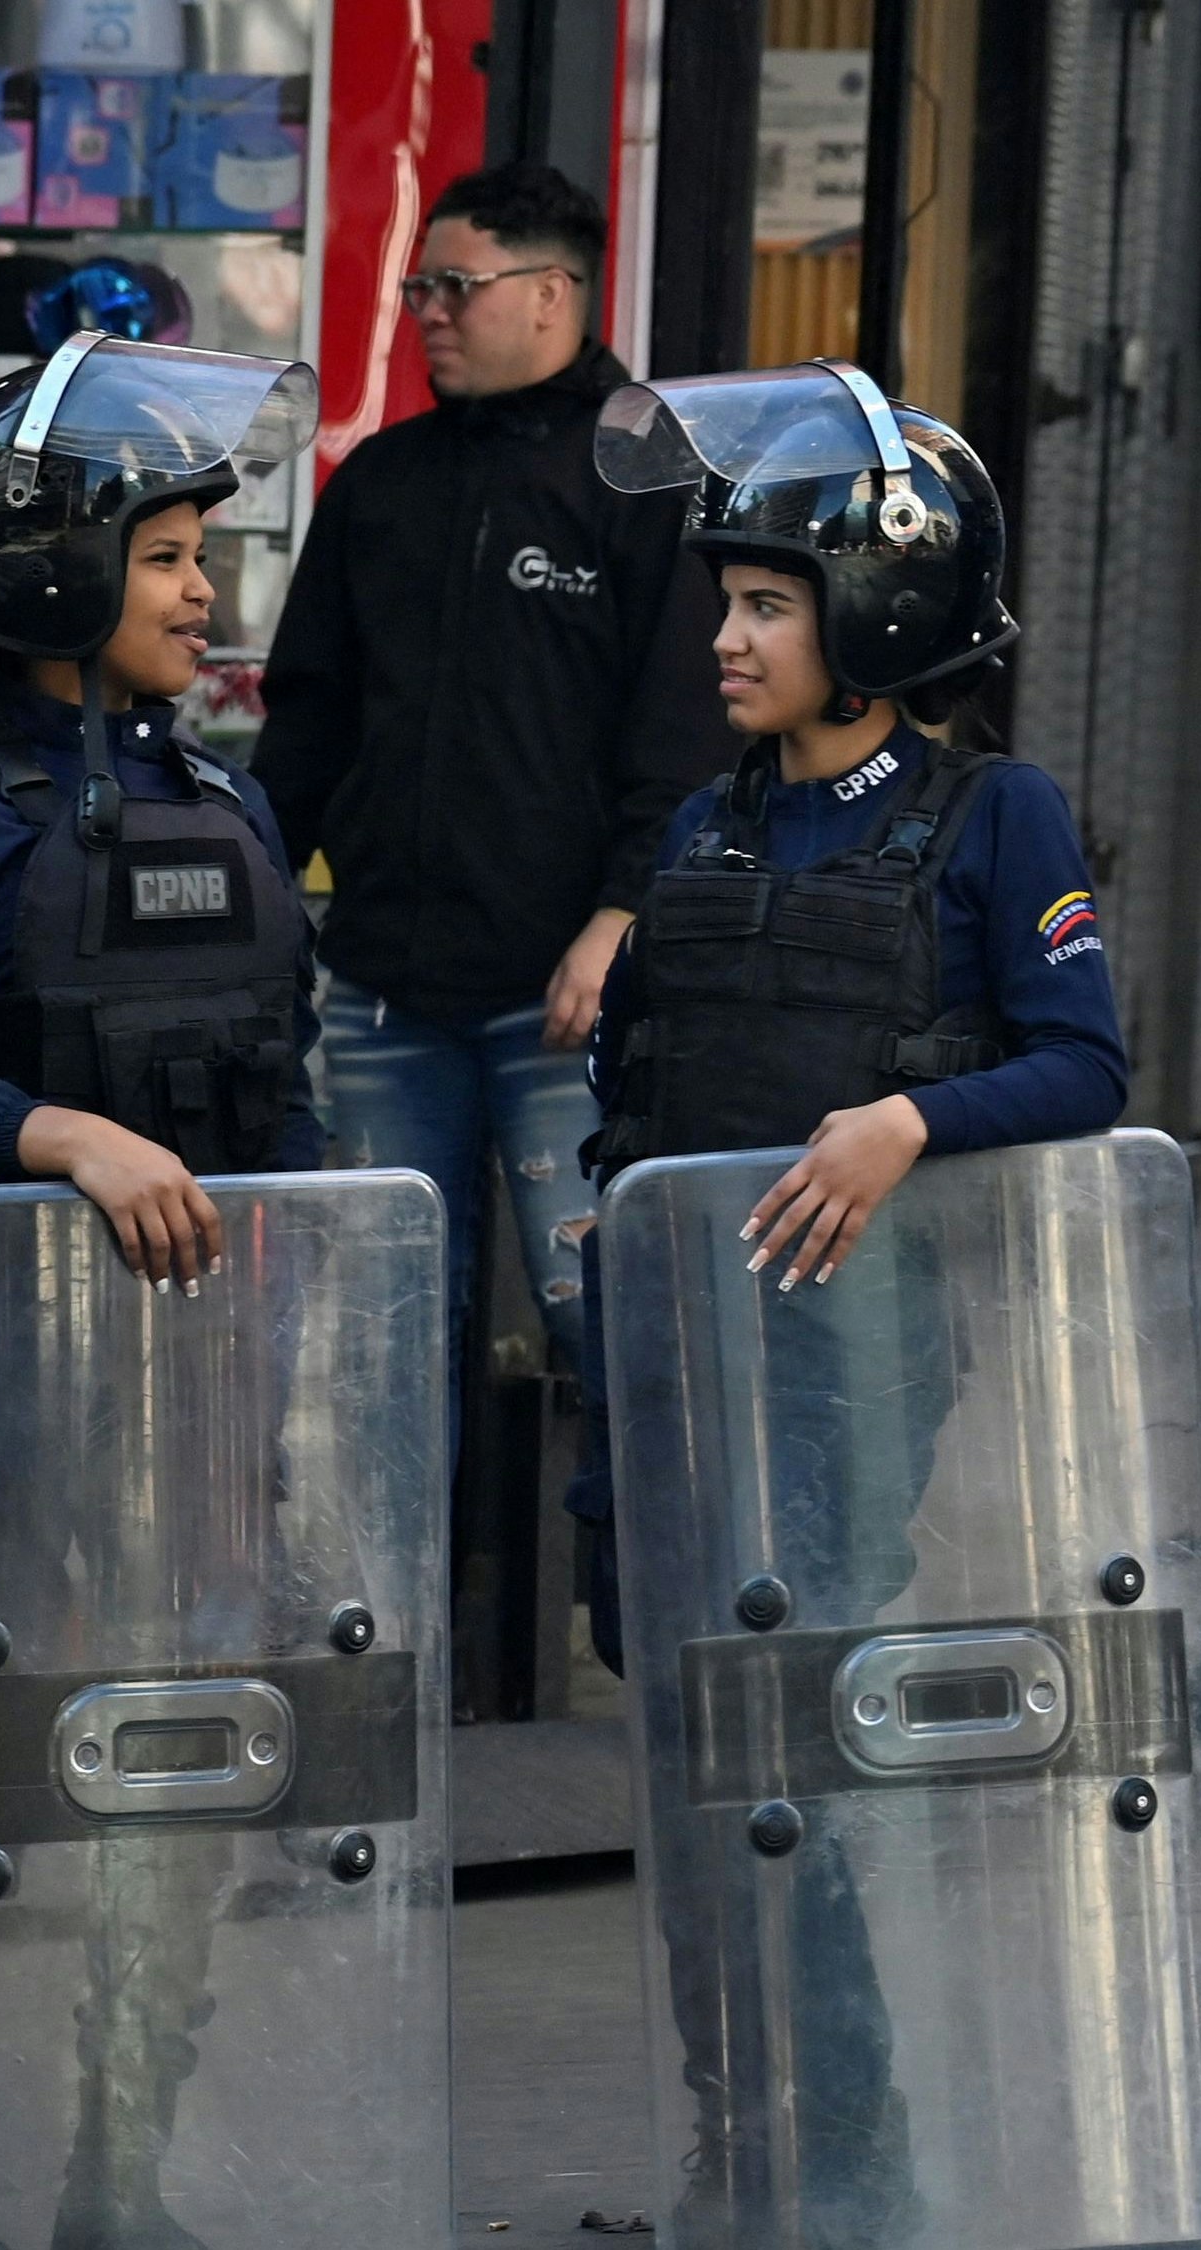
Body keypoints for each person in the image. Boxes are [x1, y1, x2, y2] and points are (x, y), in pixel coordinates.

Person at [568, 364, 1126, 2240]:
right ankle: (746, 2146)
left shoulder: (996, 816)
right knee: (703, 1770)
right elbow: (629, 1104)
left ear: (874, 619)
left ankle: (857, 2153)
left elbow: (1086, 1067)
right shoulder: (702, 829)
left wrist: (908, 1120)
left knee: (805, 1771)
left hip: (858, 1383)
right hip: (679, 1376)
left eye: (765, 605)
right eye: (728, 603)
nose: (725, 638)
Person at [0, 333, 323, 2247]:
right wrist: (64, 1140)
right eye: (176, 555)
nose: (208, 592)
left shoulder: (231, 798)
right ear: (56, 575)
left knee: (170, 1797)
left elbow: (290, 1096)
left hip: (195, 1398)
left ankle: (122, 2173)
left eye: (208, 555)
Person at [250, 161, 724, 1427]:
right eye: (420, 289)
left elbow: (683, 734)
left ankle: (635, 1618)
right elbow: (305, 723)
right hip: (386, 986)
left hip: (566, 996)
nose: (428, 314)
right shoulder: (382, 485)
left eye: (455, 286)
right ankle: (398, 1626)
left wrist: (620, 919)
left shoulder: (647, 478)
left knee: (610, 1322)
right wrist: (242, 905)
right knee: (369, 1339)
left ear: (554, 293)